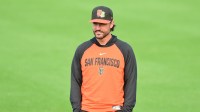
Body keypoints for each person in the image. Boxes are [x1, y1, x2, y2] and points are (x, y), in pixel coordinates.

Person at [70, 6, 137, 112]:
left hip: (115, 109)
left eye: (102, 24)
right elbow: (75, 81)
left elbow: (131, 82)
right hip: (87, 109)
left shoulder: (125, 50)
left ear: (111, 24)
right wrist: (77, 109)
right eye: (95, 24)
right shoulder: (82, 50)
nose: (97, 28)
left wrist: (126, 110)